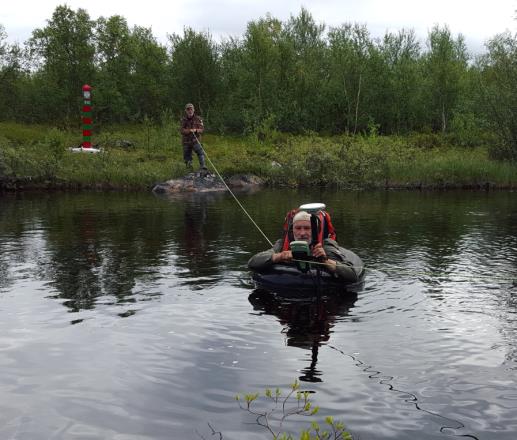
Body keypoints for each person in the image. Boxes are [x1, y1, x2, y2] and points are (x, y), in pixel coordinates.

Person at [248, 210, 363, 282]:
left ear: (314, 231)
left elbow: (352, 275)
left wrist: (325, 260)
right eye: (298, 228)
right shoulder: (282, 244)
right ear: (292, 231)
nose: (302, 233)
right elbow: (253, 263)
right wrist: (280, 256)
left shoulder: (326, 245)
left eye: (307, 228)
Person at [180, 103, 206, 170]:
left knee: (200, 152)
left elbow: (202, 129)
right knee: (187, 156)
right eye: (188, 109)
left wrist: (196, 130)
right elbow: (182, 130)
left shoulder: (198, 119)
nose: (190, 111)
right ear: (186, 111)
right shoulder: (183, 120)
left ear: (193, 110)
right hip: (186, 141)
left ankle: (203, 166)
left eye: (191, 109)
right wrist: (189, 131)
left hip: (196, 140)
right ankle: (189, 169)